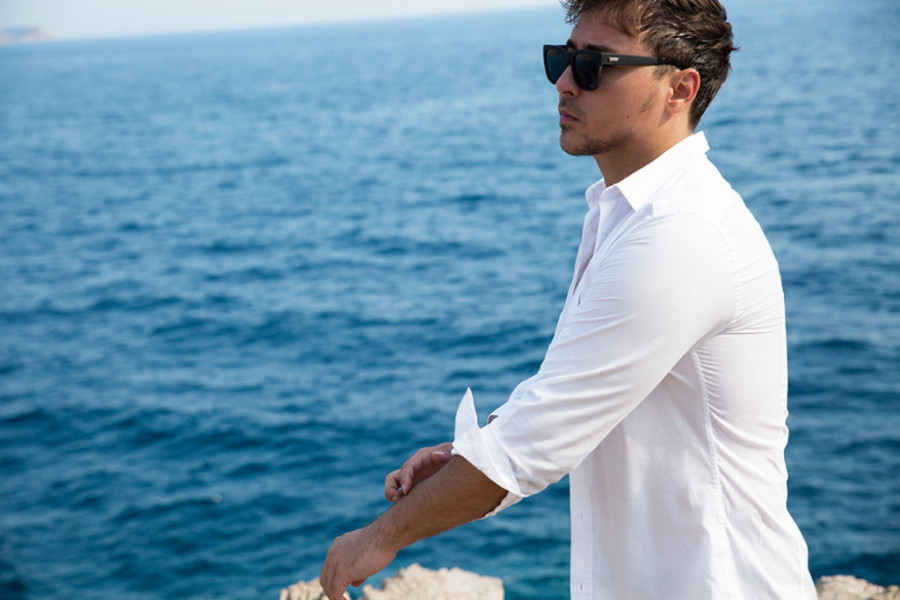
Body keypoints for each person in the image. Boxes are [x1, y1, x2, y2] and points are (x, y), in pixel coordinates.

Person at [320, 0, 818, 598]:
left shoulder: (682, 234)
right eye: (562, 58)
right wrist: (462, 458)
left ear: (679, 89)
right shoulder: (626, 216)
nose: (563, 83)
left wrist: (381, 536)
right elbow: (571, 392)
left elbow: (538, 438)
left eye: (593, 66)